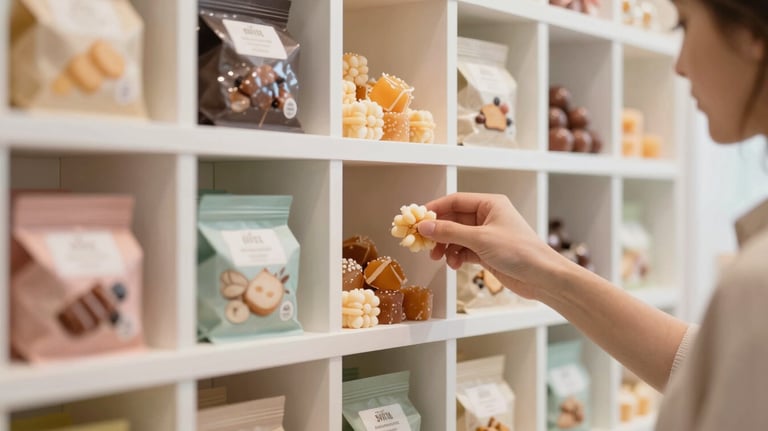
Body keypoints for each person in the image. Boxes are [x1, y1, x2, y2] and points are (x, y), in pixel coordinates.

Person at [417, 0, 768, 429]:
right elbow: (708, 369)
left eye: (685, 24)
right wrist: (546, 271)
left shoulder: (757, 280)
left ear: (753, 34)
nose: (678, 65)